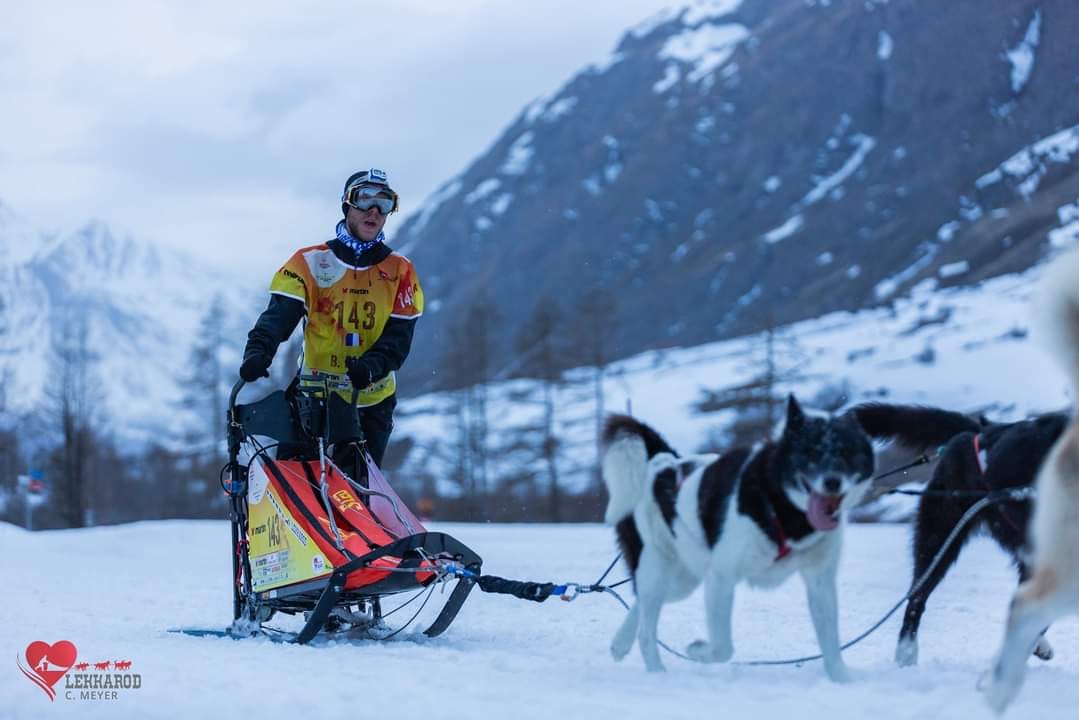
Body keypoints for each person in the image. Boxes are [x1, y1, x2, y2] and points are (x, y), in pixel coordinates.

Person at [238, 168, 424, 470]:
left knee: (354, 496)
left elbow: (399, 338)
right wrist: (258, 352)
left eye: (385, 203)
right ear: (347, 205)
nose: (374, 211)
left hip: (369, 402)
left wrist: (372, 367)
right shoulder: (309, 262)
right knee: (299, 489)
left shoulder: (401, 271)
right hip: (311, 398)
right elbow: (277, 318)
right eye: (365, 199)